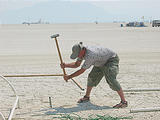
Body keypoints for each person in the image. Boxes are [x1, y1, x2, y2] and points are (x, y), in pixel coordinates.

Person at [60, 42, 128, 108]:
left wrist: (69, 77)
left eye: (78, 55)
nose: (78, 56)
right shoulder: (82, 52)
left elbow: (81, 71)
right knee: (91, 77)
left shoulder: (91, 55)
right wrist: (65, 65)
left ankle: (123, 102)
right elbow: (77, 64)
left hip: (111, 60)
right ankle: (87, 97)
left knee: (111, 79)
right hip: (100, 61)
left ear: (82, 50)